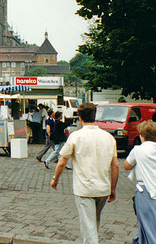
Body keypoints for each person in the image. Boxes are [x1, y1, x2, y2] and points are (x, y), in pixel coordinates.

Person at [50, 102, 118, 244]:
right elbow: (115, 166)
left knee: (88, 226)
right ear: (95, 116)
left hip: (84, 189)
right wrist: (112, 188)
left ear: (80, 118)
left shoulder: (76, 136)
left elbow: (62, 162)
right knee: (94, 223)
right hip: (103, 189)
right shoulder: (108, 137)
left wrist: (55, 179)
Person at [124, 121, 156, 244]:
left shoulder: (138, 150)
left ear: (141, 135)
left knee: (152, 235)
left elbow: (126, 165)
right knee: (153, 231)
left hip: (147, 193)